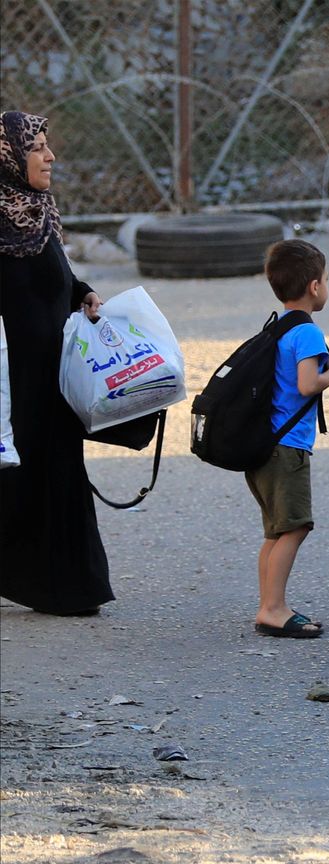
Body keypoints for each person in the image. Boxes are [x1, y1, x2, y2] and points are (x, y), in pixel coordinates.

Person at [0, 111, 110, 616]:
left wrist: (82, 292)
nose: (50, 156)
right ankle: (60, 587)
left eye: (47, 145)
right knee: (26, 471)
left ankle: (69, 587)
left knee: (55, 471)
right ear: (9, 156)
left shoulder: (35, 209)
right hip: (16, 381)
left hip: (54, 374)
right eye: (37, 147)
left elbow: (54, 277)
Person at [246, 239, 329, 638]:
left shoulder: (278, 326)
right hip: (288, 448)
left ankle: (269, 603)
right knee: (295, 527)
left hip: (265, 446)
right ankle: (273, 608)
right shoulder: (306, 333)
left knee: (276, 531)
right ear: (315, 287)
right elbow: (307, 384)